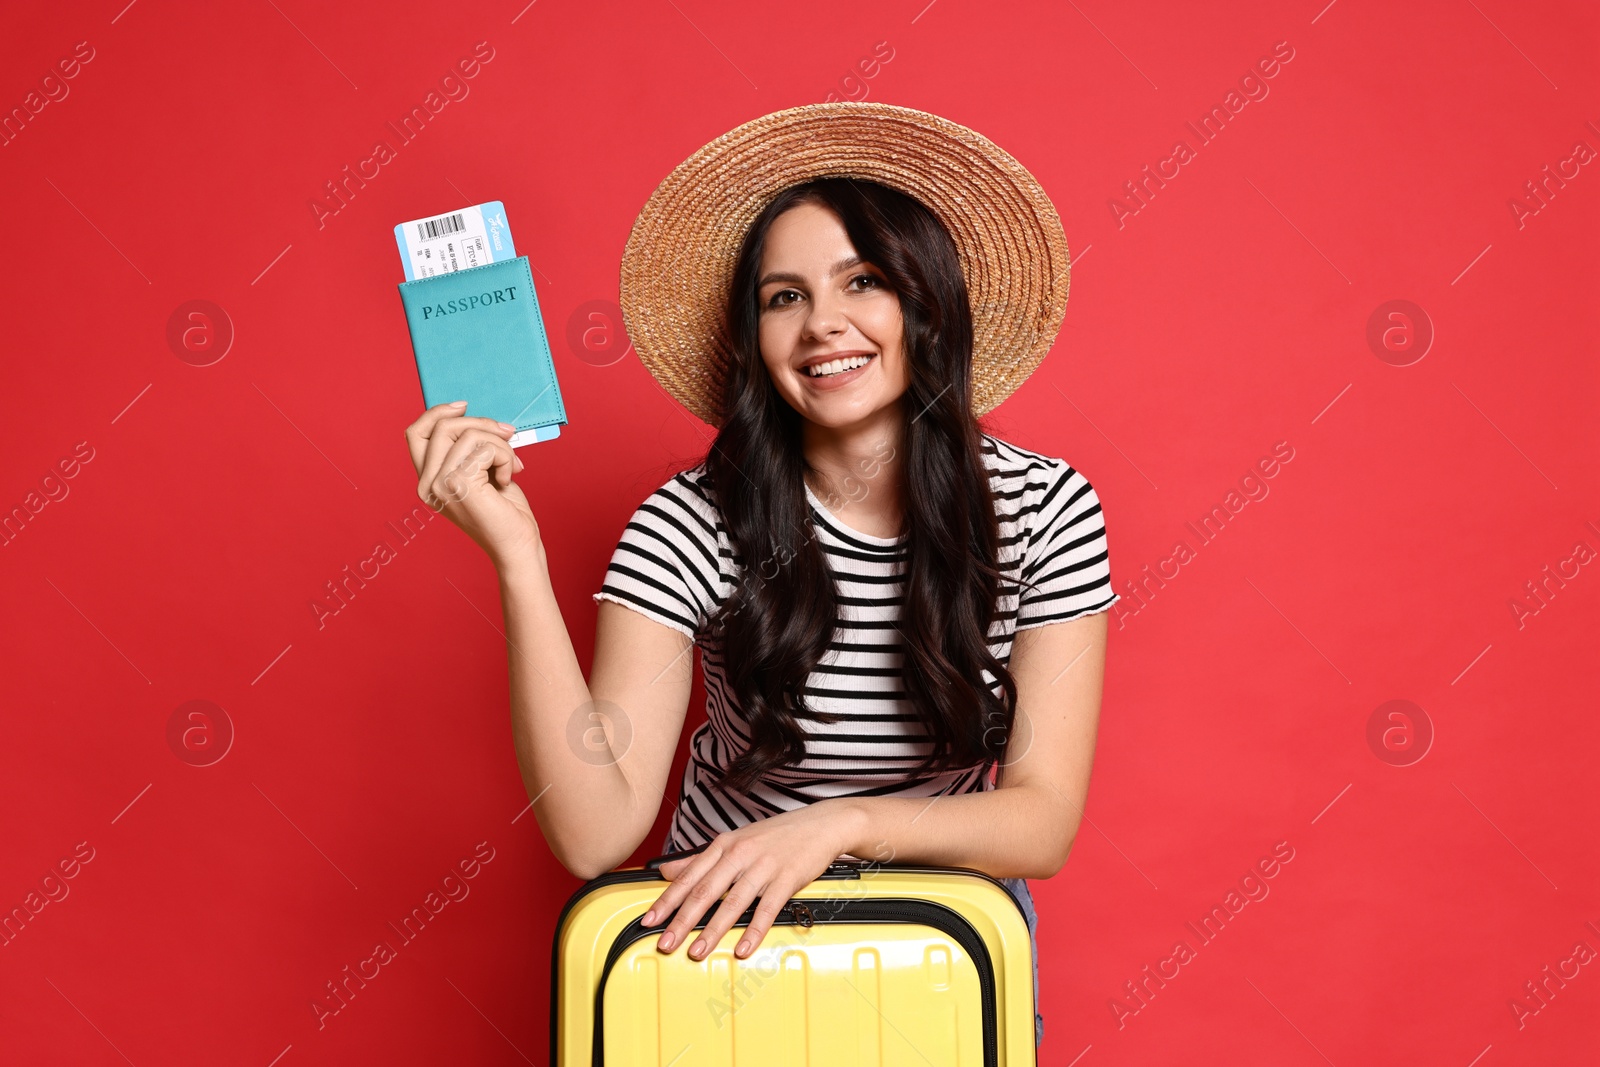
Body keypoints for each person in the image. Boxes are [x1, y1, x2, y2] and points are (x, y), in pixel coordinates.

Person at [402, 102, 1118, 1050]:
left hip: (939, 949)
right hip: (715, 949)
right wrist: (518, 558)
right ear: (755, 340)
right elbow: (594, 832)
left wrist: (835, 829)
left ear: (928, 303)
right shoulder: (692, 517)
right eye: (784, 297)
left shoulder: (1047, 509)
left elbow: (1043, 824)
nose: (824, 324)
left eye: (863, 281)